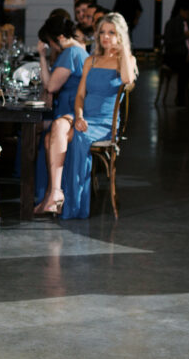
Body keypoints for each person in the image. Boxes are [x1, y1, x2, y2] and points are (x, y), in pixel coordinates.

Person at [36, 13, 137, 218]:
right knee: (58, 125)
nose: (105, 37)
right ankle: (56, 193)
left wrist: (124, 49)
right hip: (84, 116)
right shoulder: (91, 60)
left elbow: (127, 79)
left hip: (105, 123)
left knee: (50, 139)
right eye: (102, 33)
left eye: (111, 32)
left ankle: (52, 195)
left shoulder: (126, 60)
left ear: (120, 35)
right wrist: (79, 116)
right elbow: (80, 95)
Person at [34, 15, 89, 208]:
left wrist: (41, 56)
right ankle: (48, 194)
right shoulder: (77, 49)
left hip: (71, 110)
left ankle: (45, 192)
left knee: (38, 131)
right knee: (41, 132)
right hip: (69, 108)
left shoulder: (71, 53)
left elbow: (50, 86)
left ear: (57, 38)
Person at [162, 2, 189, 106]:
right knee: (184, 67)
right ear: (181, 11)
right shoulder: (172, 23)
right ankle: (181, 99)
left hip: (187, 55)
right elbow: (168, 43)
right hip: (173, 56)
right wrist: (184, 36)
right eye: (187, 12)